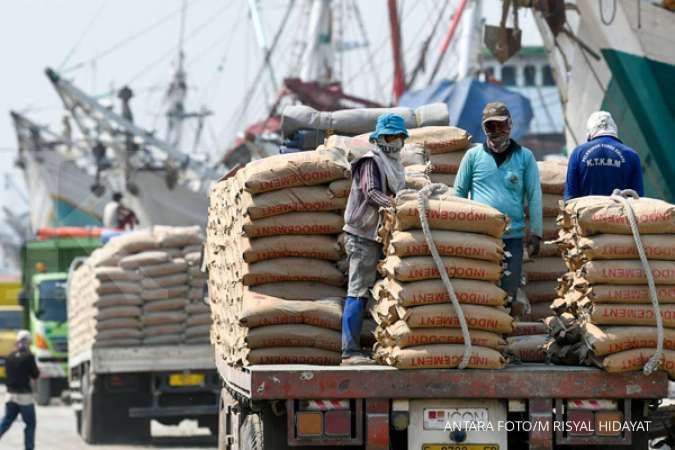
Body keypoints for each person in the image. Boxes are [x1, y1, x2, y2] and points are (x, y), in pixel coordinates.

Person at [454, 102, 543, 304]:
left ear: (510, 125)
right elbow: (458, 193)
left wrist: (537, 232)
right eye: (490, 126)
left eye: (500, 125)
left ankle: (504, 334)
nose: (496, 131)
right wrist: (458, 232)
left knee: (507, 294)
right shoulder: (473, 156)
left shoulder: (525, 157)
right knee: (479, 293)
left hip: (513, 237)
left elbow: (535, 195)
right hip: (480, 237)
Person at [341, 113, 408, 365]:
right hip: (362, 236)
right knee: (358, 290)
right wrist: (397, 205)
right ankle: (349, 351)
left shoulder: (395, 163)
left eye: (399, 137)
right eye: (391, 136)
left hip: (380, 236)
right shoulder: (372, 161)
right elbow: (371, 193)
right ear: (381, 138)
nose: (396, 141)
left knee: (382, 292)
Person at [564, 111, 644, 200]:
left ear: (590, 133)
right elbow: (638, 198)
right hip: (620, 212)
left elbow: (570, 198)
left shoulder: (578, 153)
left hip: (587, 213)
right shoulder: (632, 155)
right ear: (614, 130)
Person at [0, 330, 39, 450]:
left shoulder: (9, 357)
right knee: (30, 424)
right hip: (24, 397)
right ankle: (29, 448)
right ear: (28, 343)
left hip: (10, 395)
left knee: (7, 420)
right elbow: (35, 375)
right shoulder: (29, 356)